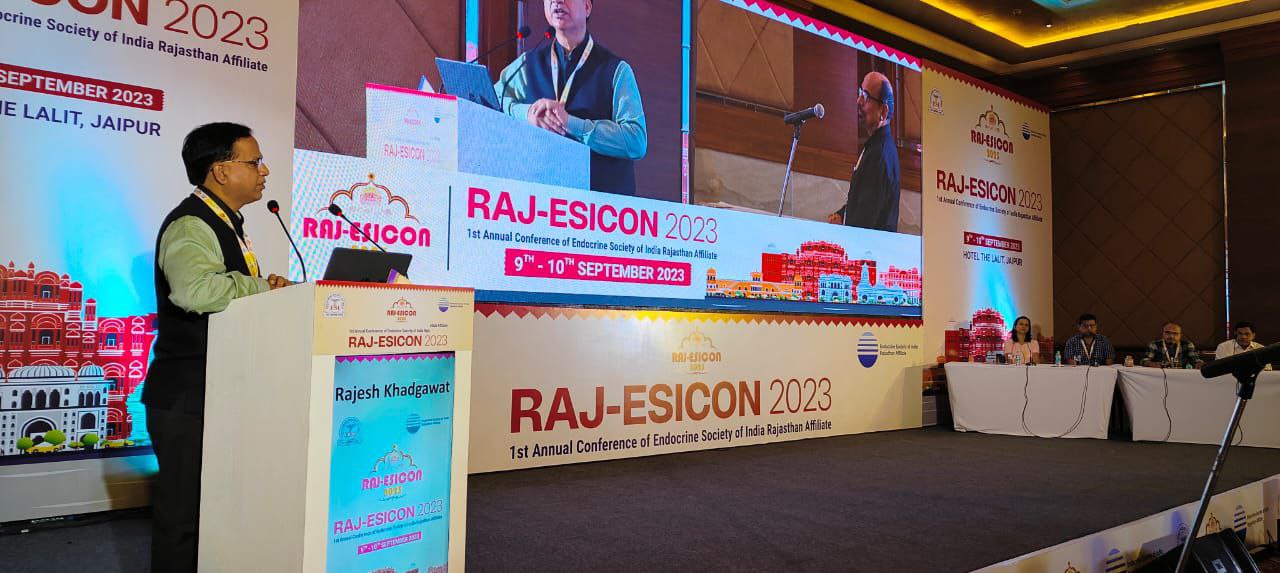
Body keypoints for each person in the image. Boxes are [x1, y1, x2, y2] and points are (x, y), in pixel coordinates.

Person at [142, 122, 290, 572]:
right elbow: (195, 291)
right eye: (254, 161)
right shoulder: (191, 223)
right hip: (187, 397)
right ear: (221, 171)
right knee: (183, 518)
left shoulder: (228, 222)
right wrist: (262, 287)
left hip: (217, 393)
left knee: (215, 514)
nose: (265, 171)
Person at [495, 0, 648, 196]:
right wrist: (528, 113)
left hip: (597, 207)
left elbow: (636, 141)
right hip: (540, 202)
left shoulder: (615, 70)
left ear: (587, 7)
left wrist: (572, 124)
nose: (556, 1)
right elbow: (492, 101)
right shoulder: (527, 64)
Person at [828, 71, 900, 232]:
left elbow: (864, 222)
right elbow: (862, 202)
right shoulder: (876, 145)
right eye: (860, 92)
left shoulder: (879, 154)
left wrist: (842, 224)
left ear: (883, 111)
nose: (858, 100)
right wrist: (841, 215)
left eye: (866, 96)